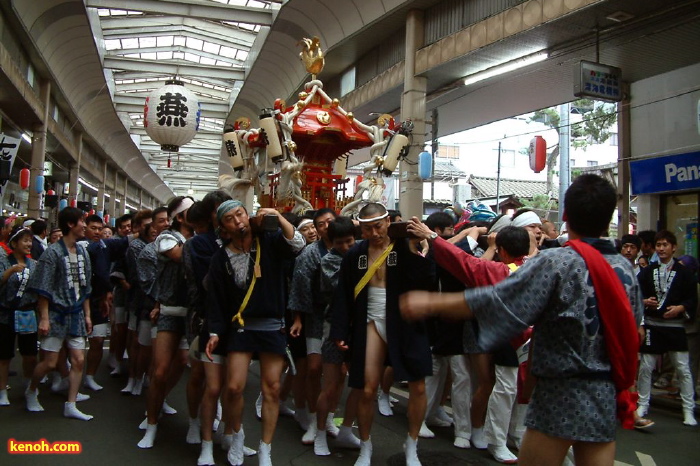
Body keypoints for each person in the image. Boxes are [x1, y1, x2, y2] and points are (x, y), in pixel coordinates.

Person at [401, 174, 643, 466]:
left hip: (559, 392)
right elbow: (636, 333)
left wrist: (433, 302)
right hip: (604, 393)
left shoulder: (556, 263)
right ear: (609, 217)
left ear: (566, 216)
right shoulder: (625, 270)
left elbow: (499, 299)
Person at [330, 202, 436, 466]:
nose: (374, 233)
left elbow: (427, 282)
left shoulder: (405, 246)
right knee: (367, 389)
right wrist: (341, 330)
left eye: (378, 226)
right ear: (360, 229)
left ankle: (411, 444)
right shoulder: (357, 254)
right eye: (367, 229)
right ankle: (366, 445)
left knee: (418, 386)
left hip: (404, 320)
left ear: (389, 222)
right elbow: (343, 294)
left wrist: (424, 246)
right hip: (370, 319)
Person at [206, 200, 305, 466]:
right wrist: (215, 331)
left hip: (272, 324)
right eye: (229, 218)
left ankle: (266, 448)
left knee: (272, 388)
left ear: (248, 216)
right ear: (223, 228)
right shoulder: (221, 257)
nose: (237, 221)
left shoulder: (270, 242)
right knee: (234, 386)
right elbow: (215, 299)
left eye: (240, 214)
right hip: (240, 326)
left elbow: (298, 244)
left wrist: (278, 217)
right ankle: (236, 435)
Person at [25, 207, 94, 421]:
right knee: (50, 362)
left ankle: (70, 403)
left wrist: (88, 315)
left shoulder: (83, 251)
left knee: (79, 360)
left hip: (76, 313)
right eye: (82, 221)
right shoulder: (52, 253)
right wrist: (44, 318)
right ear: (71, 225)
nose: (85, 225)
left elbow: (86, 287)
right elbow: (43, 288)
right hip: (55, 313)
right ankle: (32, 390)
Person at [138, 196, 194, 448]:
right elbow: (182, 256)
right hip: (170, 310)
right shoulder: (167, 239)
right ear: (180, 217)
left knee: (182, 363)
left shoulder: (201, 239)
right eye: (191, 211)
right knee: (159, 370)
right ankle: (151, 422)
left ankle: (161, 402)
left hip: (193, 312)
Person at [636, 230, 698, 426]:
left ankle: (688, 409)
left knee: (683, 368)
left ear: (673, 247)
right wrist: (645, 301)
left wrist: (681, 307)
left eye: (665, 245)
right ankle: (643, 403)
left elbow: (691, 299)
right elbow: (637, 295)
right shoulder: (647, 271)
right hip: (653, 324)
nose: (661, 249)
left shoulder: (684, 273)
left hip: (675, 325)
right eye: (659, 245)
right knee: (646, 366)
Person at [312, 216, 362, 455]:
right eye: (340, 243)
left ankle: (343, 428)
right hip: (334, 326)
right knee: (330, 384)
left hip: (360, 326)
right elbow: (344, 289)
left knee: (353, 382)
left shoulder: (363, 254)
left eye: (350, 241)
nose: (345, 247)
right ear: (330, 242)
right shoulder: (329, 261)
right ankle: (320, 432)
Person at [288, 207, 337, 444]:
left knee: (338, 371)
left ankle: (329, 417)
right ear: (316, 230)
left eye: (330, 221)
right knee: (314, 368)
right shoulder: (308, 253)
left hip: (340, 316)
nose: (326, 227)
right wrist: (298, 318)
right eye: (321, 224)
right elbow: (299, 286)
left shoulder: (349, 247)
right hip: (315, 316)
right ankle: (311, 416)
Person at [0, 227, 38, 406]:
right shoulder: (4, 261)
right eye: (24, 240)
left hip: (27, 313)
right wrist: (10, 272)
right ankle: (2, 391)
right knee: (5, 355)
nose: (29, 244)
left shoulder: (34, 265)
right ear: (14, 243)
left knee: (30, 355)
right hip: (6, 313)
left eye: (30, 240)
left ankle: (29, 387)